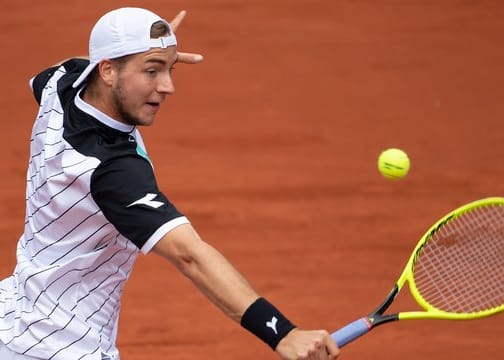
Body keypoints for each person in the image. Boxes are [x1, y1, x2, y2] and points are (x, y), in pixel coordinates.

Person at [0, 7, 340, 360]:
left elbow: (72, 64)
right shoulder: (112, 171)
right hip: (64, 347)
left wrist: (148, 49)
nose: (167, 86)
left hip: (13, 320)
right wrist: (282, 333)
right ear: (108, 71)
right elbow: (189, 255)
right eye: (152, 72)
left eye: (169, 69)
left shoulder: (63, 85)